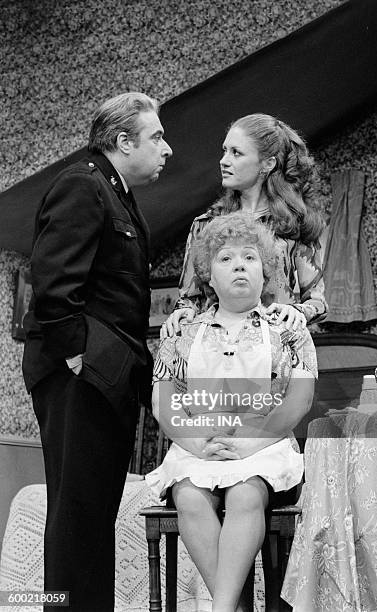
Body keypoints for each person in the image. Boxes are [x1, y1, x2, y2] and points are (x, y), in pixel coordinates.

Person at [22, 92, 172, 612]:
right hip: (78, 375)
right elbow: (53, 279)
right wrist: (74, 357)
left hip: (103, 374)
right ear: (122, 140)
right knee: (78, 514)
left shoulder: (117, 193)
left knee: (91, 516)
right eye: (156, 137)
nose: (167, 149)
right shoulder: (83, 186)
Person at [145, 212, 317, 612]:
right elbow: (163, 402)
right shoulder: (182, 332)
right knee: (188, 494)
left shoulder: (290, 330)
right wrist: (198, 444)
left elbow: (299, 400)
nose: (239, 264)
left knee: (244, 491)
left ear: (266, 269)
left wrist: (248, 443)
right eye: (226, 258)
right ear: (208, 274)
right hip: (198, 444)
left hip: (265, 445)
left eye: (250, 257)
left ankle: (221, 609)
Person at [163, 113, 327, 338]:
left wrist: (297, 311)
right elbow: (190, 298)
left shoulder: (296, 225)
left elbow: (317, 302)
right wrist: (183, 313)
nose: (224, 160)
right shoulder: (206, 225)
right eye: (225, 150)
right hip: (219, 350)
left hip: (278, 350)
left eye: (236, 153)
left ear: (267, 164)